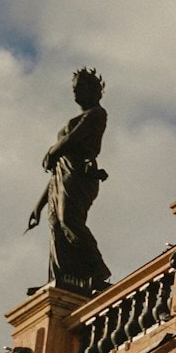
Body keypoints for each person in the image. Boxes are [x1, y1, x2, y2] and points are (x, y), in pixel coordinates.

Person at [26, 68, 111, 293]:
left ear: (93, 89)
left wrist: (52, 151)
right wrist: (39, 205)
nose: (75, 92)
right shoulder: (81, 118)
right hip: (62, 175)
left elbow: (74, 138)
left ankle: (98, 268)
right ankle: (61, 278)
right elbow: (56, 173)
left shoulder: (96, 114)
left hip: (80, 174)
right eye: (73, 88)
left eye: (80, 87)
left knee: (69, 221)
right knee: (55, 225)